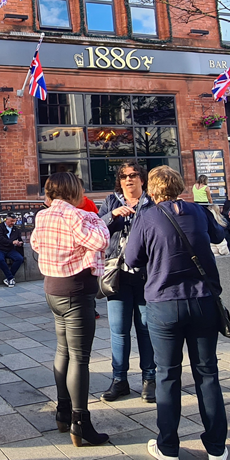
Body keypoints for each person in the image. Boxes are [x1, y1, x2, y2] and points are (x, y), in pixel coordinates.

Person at [123, 166, 229, 460]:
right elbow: (219, 234)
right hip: (203, 300)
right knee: (207, 373)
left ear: (152, 190)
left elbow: (132, 258)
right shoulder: (198, 211)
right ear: (179, 186)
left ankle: (168, 448)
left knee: (167, 374)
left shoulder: (146, 216)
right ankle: (216, 448)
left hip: (164, 302)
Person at [29, 172, 111, 448]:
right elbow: (100, 241)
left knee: (62, 350)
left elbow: (36, 245)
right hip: (76, 290)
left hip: (53, 288)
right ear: (73, 191)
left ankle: (63, 412)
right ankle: (81, 421)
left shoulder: (43, 216)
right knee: (80, 358)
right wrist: (96, 221)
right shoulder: (74, 215)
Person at [98, 162, 156, 404]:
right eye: (124, 176)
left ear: (142, 179)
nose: (129, 180)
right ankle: (119, 380)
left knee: (145, 329)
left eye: (133, 175)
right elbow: (97, 227)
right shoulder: (111, 201)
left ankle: (149, 379)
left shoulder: (152, 202)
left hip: (146, 274)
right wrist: (112, 215)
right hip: (117, 275)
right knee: (119, 331)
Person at [0, 213, 26, 287]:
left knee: (19, 258)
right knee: (0, 259)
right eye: (11, 221)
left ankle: (9, 278)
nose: (13, 223)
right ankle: (10, 278)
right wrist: (11, 242)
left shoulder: (16, 230)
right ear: (6, 220)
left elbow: (19, 239)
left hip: (9, 249)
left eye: (14, 221)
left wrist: (20, 243)